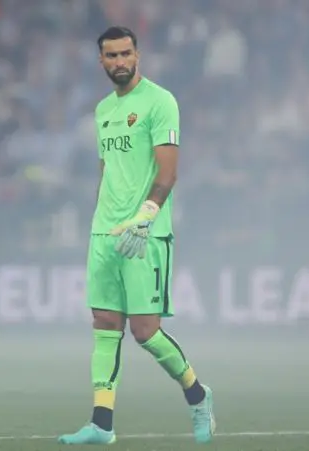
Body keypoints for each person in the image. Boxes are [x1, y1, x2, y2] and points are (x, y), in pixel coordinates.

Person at [58, 26, 216, 446]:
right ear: (102, 62)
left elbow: (168, 171)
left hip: (145, 234)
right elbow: (108, 171)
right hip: (104, 233)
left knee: (145, 332)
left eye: (126, 53)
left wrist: (144, 218)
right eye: (111, 56)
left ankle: (198, 395)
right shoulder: (102, 110)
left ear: (137, 55)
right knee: (105, 323)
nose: (119, 62)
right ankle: (101, 424)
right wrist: (98, 221)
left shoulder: (161, 102)